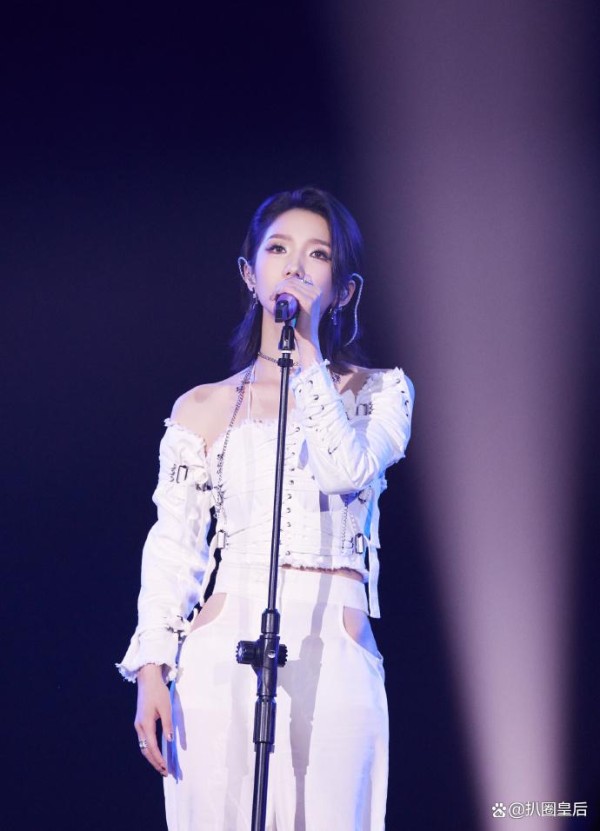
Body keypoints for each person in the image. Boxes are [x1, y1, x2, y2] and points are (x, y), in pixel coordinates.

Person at [116, 186, 414, 830]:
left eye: (318, 255)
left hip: (336, 652)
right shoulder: (202, 407)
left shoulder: (381, 394)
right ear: (250, 275)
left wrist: (304, 352)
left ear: (344, 290)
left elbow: (345, 470)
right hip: (221, 652)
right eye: (278, 250)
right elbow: (174, 545)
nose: (296, 267)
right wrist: (151, 668)